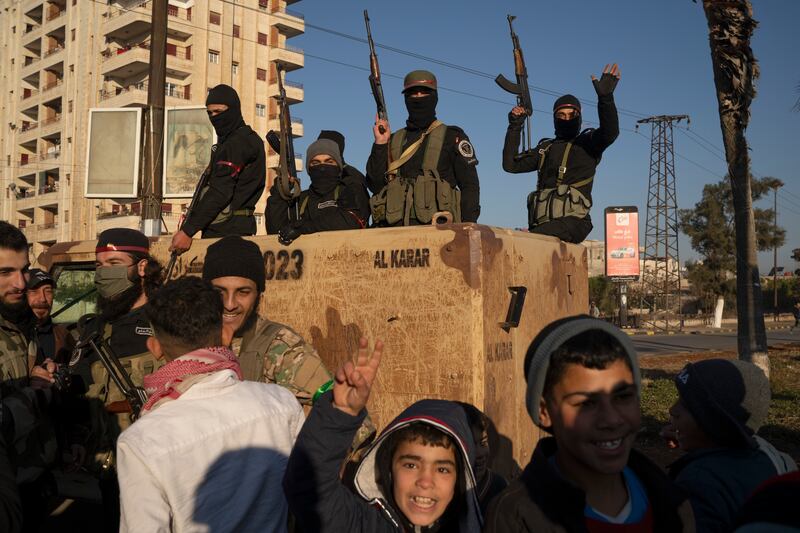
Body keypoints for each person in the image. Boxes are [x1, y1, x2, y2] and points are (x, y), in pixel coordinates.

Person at [117, 276, 304, 532]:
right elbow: (307, 492)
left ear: (155, 347)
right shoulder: (281, 403)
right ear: (226, 335)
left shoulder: (140, 442)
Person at [484, 316, 694, 532]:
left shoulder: (670, 500)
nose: (611, 419)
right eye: (586, 403)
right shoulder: (516, 518)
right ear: (544, 411)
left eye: (623, 397)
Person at [284, 337, 484, 532]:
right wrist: (340, 414)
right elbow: (309, 492)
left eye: (442, 469)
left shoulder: (490, 520)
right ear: (388, 469)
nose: (425, 481)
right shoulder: (363, 525)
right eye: (411, 465)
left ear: (460, 479)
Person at [660, 358, 797, 533]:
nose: (673, 410)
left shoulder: (698, 484)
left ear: (714, 425)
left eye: (686, 406)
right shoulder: (772, 457)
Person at [503, 65, 620, 243]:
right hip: (543, 225)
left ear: (579, 117)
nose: (567, 119)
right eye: (561, 115)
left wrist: (606, 99)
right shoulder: (546, 149)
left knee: (528, 239)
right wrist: (515, 126)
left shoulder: (587, 143)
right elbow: (510, 165)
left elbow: (610, 132)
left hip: (575, 222)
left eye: (572, 115)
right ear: (554, 118)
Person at [0, 222, 59, 531]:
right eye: (5, 272)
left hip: (31, 477)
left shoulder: (17, 321)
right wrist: (33, 394)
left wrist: (37, 375)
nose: (21, 283)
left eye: (23, 270)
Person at [366, 70, 480, 226]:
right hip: (393, 235)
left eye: (424, 93)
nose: (419, 98)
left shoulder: (452, 136)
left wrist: (467, 227)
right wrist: (380, 144)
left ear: (435, 97)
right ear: (406, 99)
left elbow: (470, 186)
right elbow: (375, 185)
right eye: (413, 94)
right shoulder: (393, 140)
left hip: (439, 234)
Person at [170, 84, 266, 254]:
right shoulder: (230, 142)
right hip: (223, 228)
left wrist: (188, 231)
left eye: (219, 112)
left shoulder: (239, 142)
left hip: (230, 232)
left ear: (234, 109)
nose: (214, 117)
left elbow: (221, 191)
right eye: (210, 113)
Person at [266, 136, 370, 245]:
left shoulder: (349, 190)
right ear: (309, 169)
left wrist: (301, 227)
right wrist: (280, 190)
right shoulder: (301, 200)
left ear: (338, 166)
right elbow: (276, 230)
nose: (322, 167)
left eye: (329, 162)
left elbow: (350, 221)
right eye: (315, 163)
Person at [455, 401, 508, 515]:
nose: (480, 453)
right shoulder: (436, 488)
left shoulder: (498, 488)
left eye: (483, 443)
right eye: (471, 444)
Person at [25, 268, 74, 366]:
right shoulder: (12, 336)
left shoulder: (64, 335)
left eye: (48, 291)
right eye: (34, 291)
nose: (43, 299)